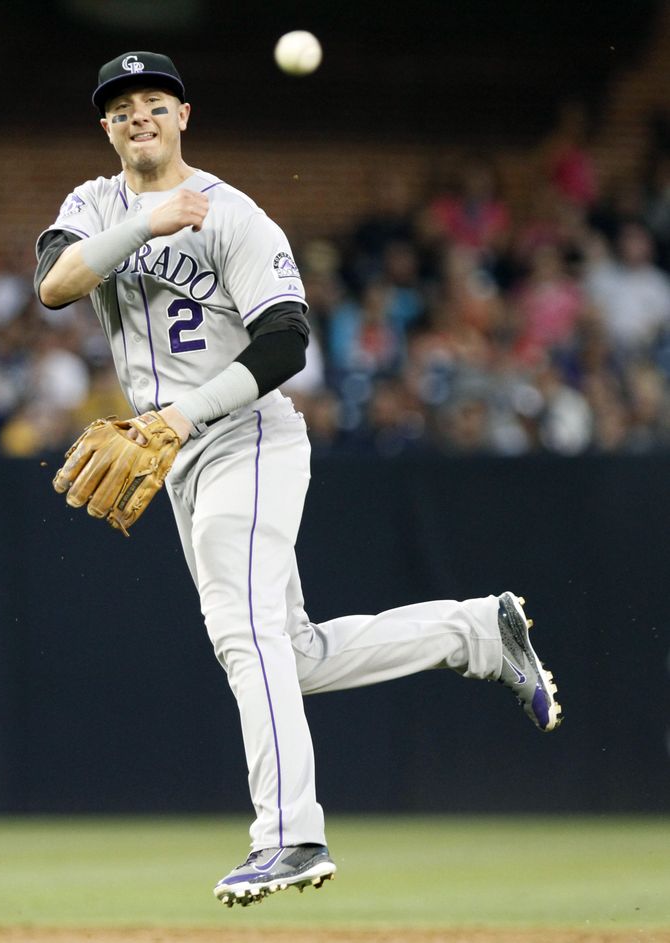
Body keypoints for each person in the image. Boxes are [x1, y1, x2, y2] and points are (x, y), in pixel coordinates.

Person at [34, 51, 563, 908]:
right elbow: (56, 284)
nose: (139, 116)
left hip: (245, 436)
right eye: (122, 106)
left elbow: (286, 343)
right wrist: (147, 222)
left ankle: (288, 835)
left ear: (183, 116)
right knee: (295, 652)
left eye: (155, 102)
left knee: (244, 635)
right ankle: (474, 631)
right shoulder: (92, 205)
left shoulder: (237, 216)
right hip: (172, 455)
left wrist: (182, 415)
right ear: (106, 126)